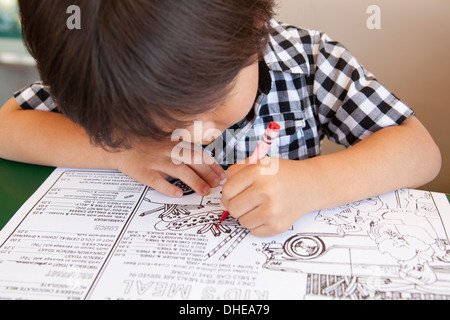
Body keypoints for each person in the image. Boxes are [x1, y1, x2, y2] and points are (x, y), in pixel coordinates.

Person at [0, 0, 441, 237]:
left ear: (255, 25)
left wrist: (314, 184)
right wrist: (122, 153)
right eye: (155, 126)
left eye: (210, 106)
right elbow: (7, 129)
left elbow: (420, 152)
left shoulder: (310, 63)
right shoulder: (106, 76)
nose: (194, 134)